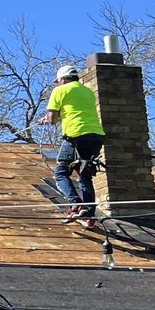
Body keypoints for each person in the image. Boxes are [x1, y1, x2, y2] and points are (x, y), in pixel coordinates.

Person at [43, 65, 105, 226]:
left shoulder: (59, 91)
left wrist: (48, 118)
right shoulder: (87, 91)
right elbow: (76, 110)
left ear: (62, 79)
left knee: (61, 171)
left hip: (75, 135)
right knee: (84, 173)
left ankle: (76, 204)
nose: (57, 84)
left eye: (58, 81)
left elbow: (52, 120)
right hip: (96, 135)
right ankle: (89, 214)